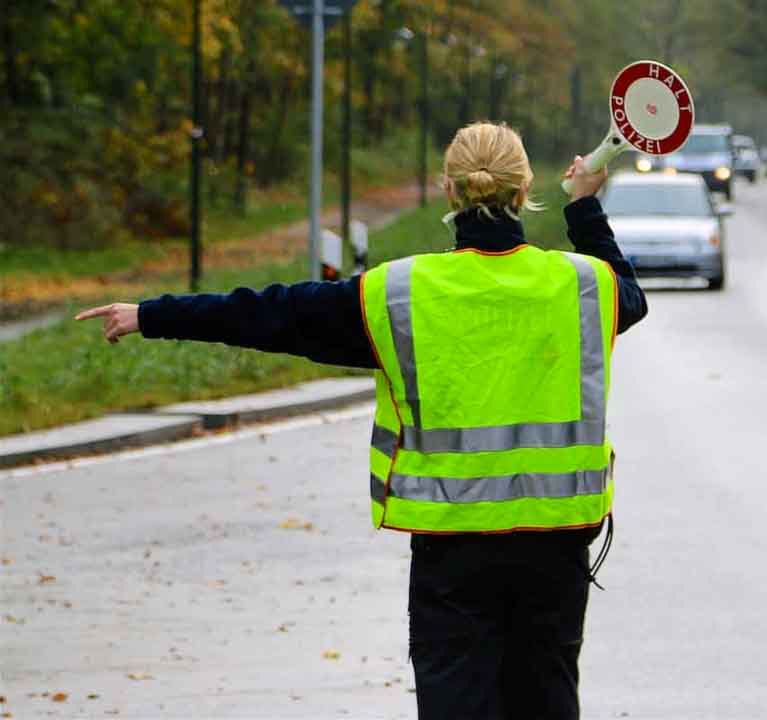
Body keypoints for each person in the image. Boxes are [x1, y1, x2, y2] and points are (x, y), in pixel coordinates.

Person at [76, 121, 648, 719]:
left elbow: (273, 315)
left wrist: (152, 314)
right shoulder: (583, 286)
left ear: (449, 191)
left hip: (451, 554)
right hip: (553, 549)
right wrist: (583, 204)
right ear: (523, 186)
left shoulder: (397, 294)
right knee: (547, 702)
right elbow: (629, 293)